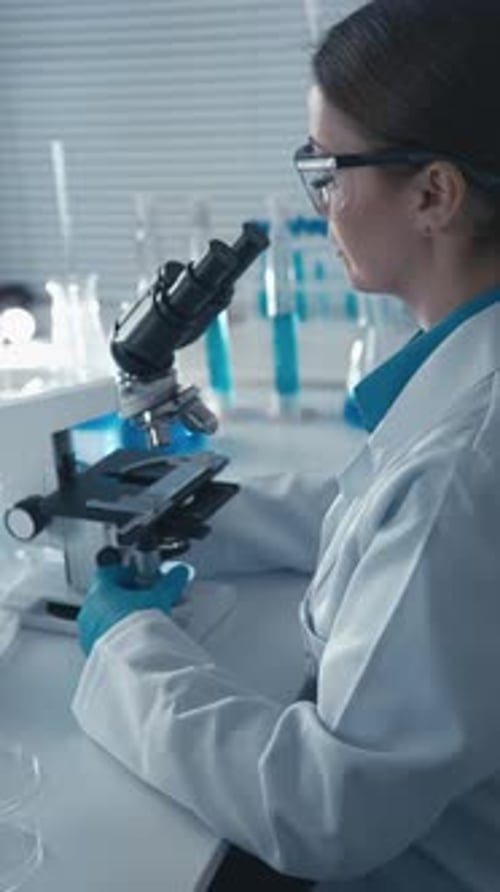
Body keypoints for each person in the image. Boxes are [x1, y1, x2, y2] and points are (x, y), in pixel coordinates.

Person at [72, 1, 500, 889]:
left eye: (327, 171)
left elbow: (325, 810)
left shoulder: (460, 471)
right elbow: (371, 520)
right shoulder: (467, 396)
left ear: (433, 195)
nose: (322, 205)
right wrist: (190, 519)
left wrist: (128, 648)